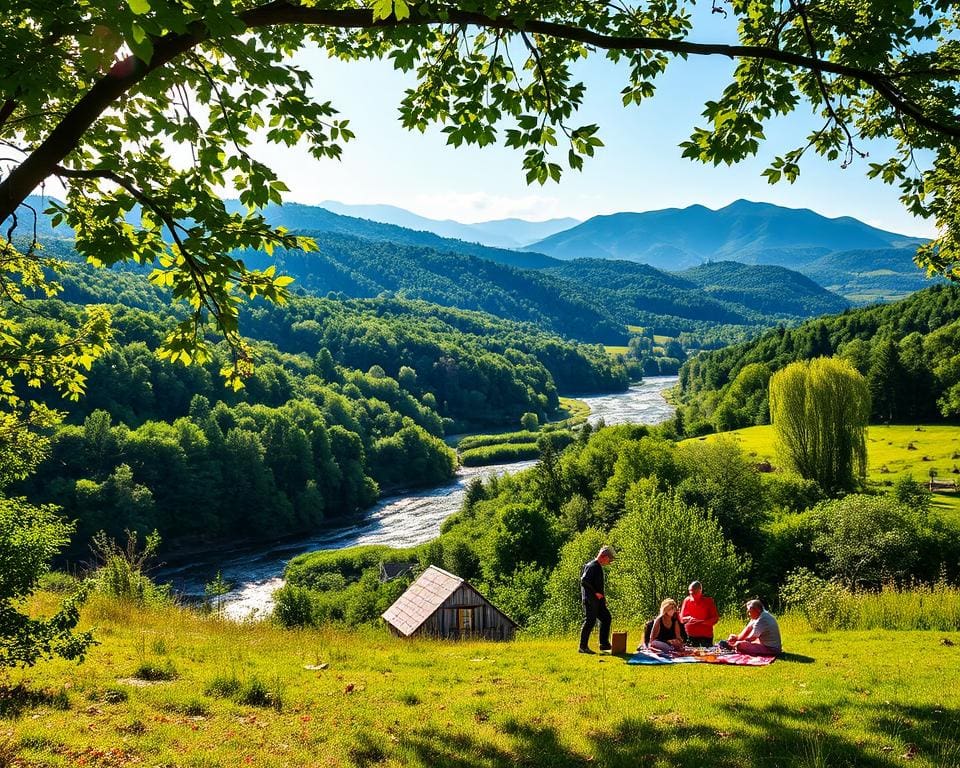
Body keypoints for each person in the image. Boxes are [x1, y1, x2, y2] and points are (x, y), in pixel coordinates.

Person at [578, 545, 615, 654]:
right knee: (590, 621)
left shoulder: (598, 567)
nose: (610, 562)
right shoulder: (592, 566)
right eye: (609, 559)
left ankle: (604, 644)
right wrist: (595, 593)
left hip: (597, 601)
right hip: (590, 600)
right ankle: (582, 647)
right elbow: (584, 581)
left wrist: (603, 598)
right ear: (603, 556)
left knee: (606, 617)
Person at [679, 581, 719, 647]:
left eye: (694, 593)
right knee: (690, 655)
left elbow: (715, 618)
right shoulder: (687, 600)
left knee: (706, 655)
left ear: (700, 590)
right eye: (690, 593)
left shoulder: (708, 601)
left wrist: (702, 622)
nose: (692, 595)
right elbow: (681, 619)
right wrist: (688, 619)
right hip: (690, 635)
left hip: (705, 636)